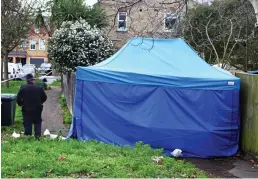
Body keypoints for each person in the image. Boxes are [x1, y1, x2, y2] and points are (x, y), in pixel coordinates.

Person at [17, 73, 47, 139]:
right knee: (38, 122)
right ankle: (37, 136)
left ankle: (28, 137)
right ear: (33, 80)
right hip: (37, 109)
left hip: (27, 109)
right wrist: (40, 102)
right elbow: (45, 97)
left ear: (26, 81)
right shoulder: (39, 88)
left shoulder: (23, 88)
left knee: (27, 122)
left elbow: (18, 99)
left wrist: (21, 104)